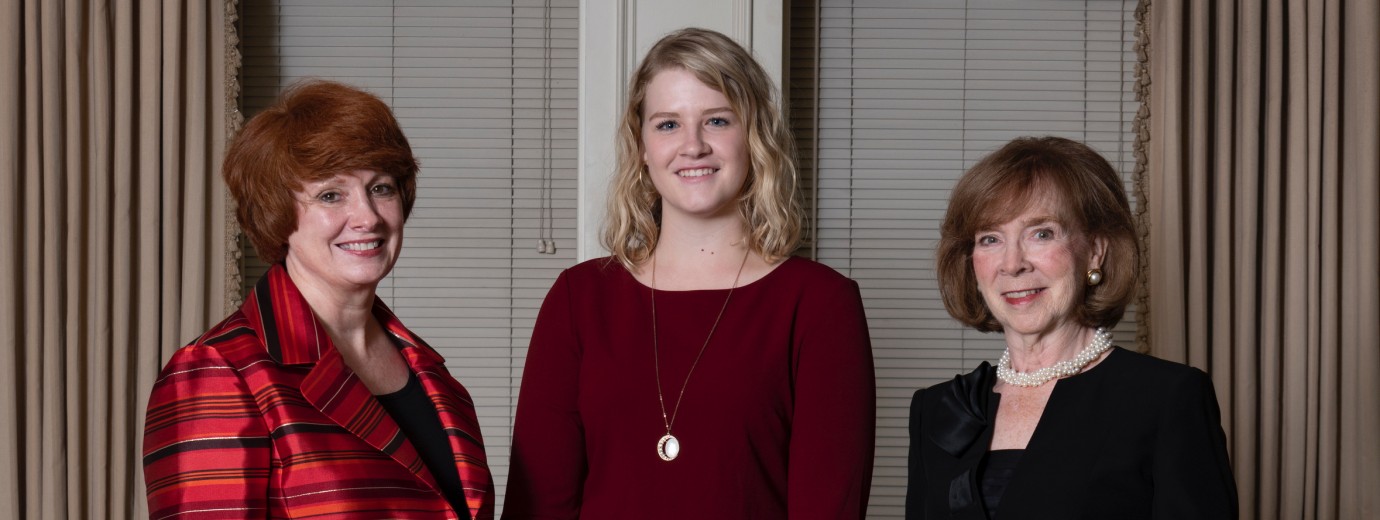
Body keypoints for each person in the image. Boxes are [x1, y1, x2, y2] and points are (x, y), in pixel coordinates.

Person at [502, 28, 876, 519]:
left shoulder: (820, 303)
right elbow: (539, 506)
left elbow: (827, 508)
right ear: (641, 145)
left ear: (754, 135)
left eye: (717, 120)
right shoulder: (579, 298)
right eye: (667, 125)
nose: (692, 145)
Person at [142, 80, 494, 519]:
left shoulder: (436, 378)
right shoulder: (220, 371)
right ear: (275, 212)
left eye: (381, 188)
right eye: (331, 194)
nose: (366, 216)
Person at [906, 136, 1238, 519]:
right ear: (971, 262)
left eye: (1041, 233)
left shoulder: (1165, 398)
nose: (1012, 263)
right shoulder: (939, 408)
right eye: (990, 239)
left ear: (1095, 250)